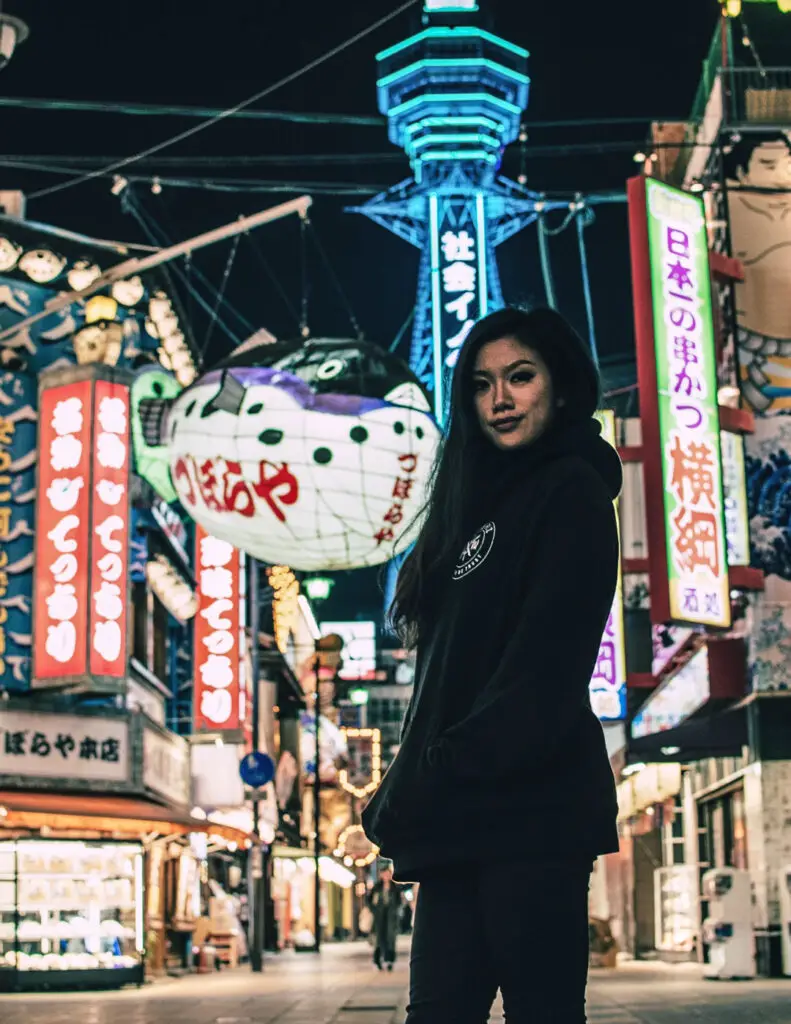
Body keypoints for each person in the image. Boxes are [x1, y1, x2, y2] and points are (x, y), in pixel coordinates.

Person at [361, 306, 621, 1023]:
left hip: (532, 817)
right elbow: (445, 680)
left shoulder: (570, 491)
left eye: (519, 377)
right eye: (480, 384)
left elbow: (540, 676)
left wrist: (417, 781)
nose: (498, 399)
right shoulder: (470, 509)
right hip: (456, 824)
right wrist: (408, 781)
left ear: (560, 387)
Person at [367, 862, 403, 971]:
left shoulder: (395, 887)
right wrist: (374, 910)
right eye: (384, 873)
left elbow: (399, 902)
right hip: (379, 917)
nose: (386, 876)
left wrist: (395, 910)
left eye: (388, 873)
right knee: (379, 939)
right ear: (381, 875)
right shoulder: (377, 887)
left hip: (391, 918)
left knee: (390, 938)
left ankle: (389, 960)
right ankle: (378, 960)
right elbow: (369, 901)